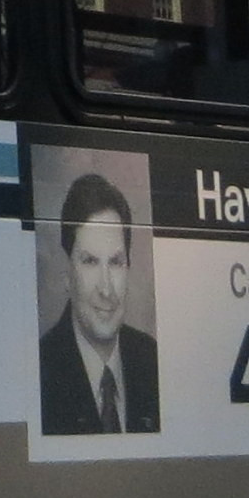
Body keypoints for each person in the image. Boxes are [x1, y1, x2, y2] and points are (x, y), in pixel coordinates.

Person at [38, 171, 161, 436]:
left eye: (115, 262)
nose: (106, 289)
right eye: (90, 261)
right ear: (67, 273)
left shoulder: (152, 361)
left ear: (128, 267)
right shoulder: (41, 372)